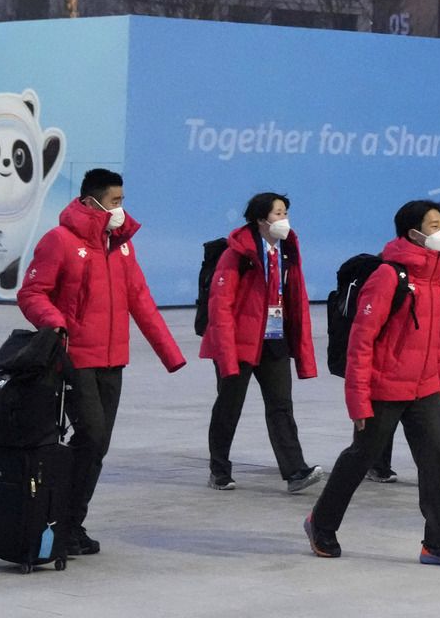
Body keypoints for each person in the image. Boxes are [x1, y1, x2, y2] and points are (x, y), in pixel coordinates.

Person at [17, 168, 185, 557]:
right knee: (91, 435)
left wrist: (170, 354)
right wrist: (57, 325)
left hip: (113, 360)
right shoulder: (59, 241)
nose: (121, 209)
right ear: (92, 202)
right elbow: (31, 294)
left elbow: (140, 299)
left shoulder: (121, 246)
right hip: (75, 357)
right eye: (115, 202)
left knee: (98, 444)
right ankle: (59, 519)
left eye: (123, 201)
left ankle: (70, 523)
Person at [304, 200, 440, 567]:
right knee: (359, 458)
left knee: (435, 463)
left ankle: (439, 544)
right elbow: (361, 342)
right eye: (434, 225)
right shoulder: (388, 276)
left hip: (425, 389)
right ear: (413, 233)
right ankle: (321, 523)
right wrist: (358, 401)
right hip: (385, 388)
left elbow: (438, 342)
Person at [200, 191, 325, 494]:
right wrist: (227, 353)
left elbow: (297, 298)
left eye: (285, 213)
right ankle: (219, 469)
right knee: (229, 406)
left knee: (281, 406)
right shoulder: (237, 254)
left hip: (274, 339)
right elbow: (221, 305)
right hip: (239, 342)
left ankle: (295, 470)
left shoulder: (286, 252)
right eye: (278, 214)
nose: (284, 219)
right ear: (260, 219)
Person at [367, 213, 440, 488]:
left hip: (431, 356)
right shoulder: (392, 270)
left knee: (439, 408)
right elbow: (370, 328)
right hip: (396, 360)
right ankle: (374, 463)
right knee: (385, 417)